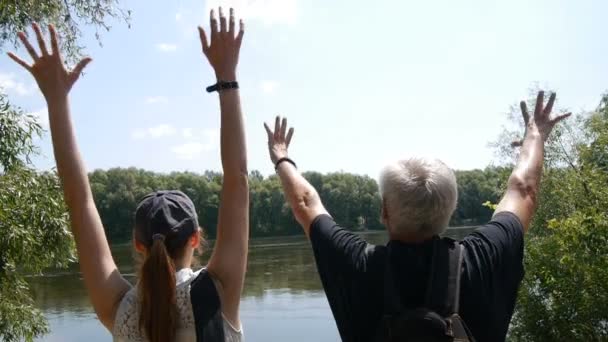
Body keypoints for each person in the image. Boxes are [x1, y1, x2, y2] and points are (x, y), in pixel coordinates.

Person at [9, 7, 248, 342]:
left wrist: (55, 100)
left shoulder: (120, 309)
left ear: (138, 245)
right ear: (196, 237)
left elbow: (80, 204)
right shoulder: (218, 293)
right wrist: (227, 75)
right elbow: (237, 178)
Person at [263, 91, 570, 341]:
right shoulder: (485, 256)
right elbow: (523, 190)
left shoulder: (355, 264)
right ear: (450, 209)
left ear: (384, 211)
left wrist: (281, 156)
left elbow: (305, 203)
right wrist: (536, 134)